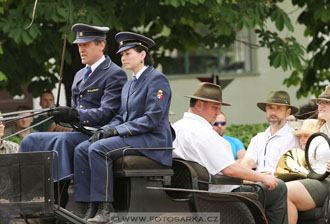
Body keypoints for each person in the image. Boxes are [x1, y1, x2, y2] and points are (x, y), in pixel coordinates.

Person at [19, 23, 127, 208]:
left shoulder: (115, 73)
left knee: (61, 143)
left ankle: (58, 202)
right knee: (31, 141)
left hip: (99, 133)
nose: (81, 49)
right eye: (79, 45)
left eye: (86, 44)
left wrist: (74, 114)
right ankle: (29, 194)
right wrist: (61, 114)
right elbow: (75, 111)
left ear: (101, 45)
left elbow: (107, 112)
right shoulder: (79, 75)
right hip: (78, 131)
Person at [73, 32, 173, 223]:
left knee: (98, 149)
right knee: (82, 148)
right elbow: (121, 116)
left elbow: (152, 118)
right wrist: (106, 130)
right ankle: (89, 206)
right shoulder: (129, 85)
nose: (123, 58)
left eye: (128, 54)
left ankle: (106, 208)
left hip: (153, 140)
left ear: (142, 54)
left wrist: (116, 131)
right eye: (121, 55)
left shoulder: (157, 79)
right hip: (135, 136)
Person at [173, 82, 288, 224]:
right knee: (279, 188)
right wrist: (263, 178)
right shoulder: (203, 132)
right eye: (215, 107)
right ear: (199, 104)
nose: (218, 113)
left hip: (189, 196)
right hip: (221, 196)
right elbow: (229, 169)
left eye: (219, 108)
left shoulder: (176, 128)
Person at [286, 85, 330, 224]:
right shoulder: (321, 130)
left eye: (326, 102)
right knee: (280, 189)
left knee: (284, 191)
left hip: (326, 181)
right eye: (320, 102)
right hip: (317, 178)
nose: (320, 106)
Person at [240, 90, 300, 173]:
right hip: (258, 183)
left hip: (283, 184)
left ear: (288, 112)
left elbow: (289, 171)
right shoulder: (258, 139)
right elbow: (248, 162)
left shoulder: (294, 138)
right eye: (270, 108)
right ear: (266, 109)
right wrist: (241, 175)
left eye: (279, 108)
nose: (273, 112)